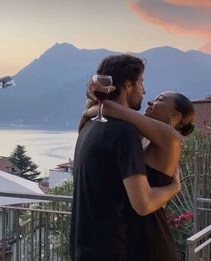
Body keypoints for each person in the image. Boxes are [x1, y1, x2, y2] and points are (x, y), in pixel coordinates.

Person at [70, 54, 181, 261]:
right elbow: (143, 204)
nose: (144, 91)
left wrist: (96, 106)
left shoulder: (88, 125)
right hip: (110, 252)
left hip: (82, 248)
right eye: (141, 82)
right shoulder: (124, 133)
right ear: (128, 85)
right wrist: (175, 187)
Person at [84, 88, 195, 261]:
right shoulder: (144, 140)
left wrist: (87, 112)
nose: (151, 101)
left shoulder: (170, 138)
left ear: (175, 115)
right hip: (133, 236)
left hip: (151, 241)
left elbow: (109, 109)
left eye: (160, 99)